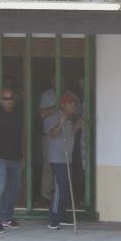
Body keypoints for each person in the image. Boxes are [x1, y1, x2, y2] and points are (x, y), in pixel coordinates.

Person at [0, 88, 24, 233]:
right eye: (5, 99)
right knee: (0, 188)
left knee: (15, 188)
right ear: (0, 100)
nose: (8, 101)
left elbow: (21, 136)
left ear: (14, 99)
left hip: (15, 158)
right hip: (0, 158)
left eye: (10, 98)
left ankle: (7, 217)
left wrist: (23, 156)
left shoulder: (18, 116)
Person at [43, 92, 83, 229]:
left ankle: (61, 215)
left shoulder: (70, 119)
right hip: (57, 159)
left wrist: (80, 122)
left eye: (74, 103)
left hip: (67, 158)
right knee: (60, 188)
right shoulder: (52, 118)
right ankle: (53, 218)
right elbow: (52, 134)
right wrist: (61, 123)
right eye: (70, 103)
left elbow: (70, 132)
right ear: (63, 104)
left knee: (66, 188)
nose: (73, 106)